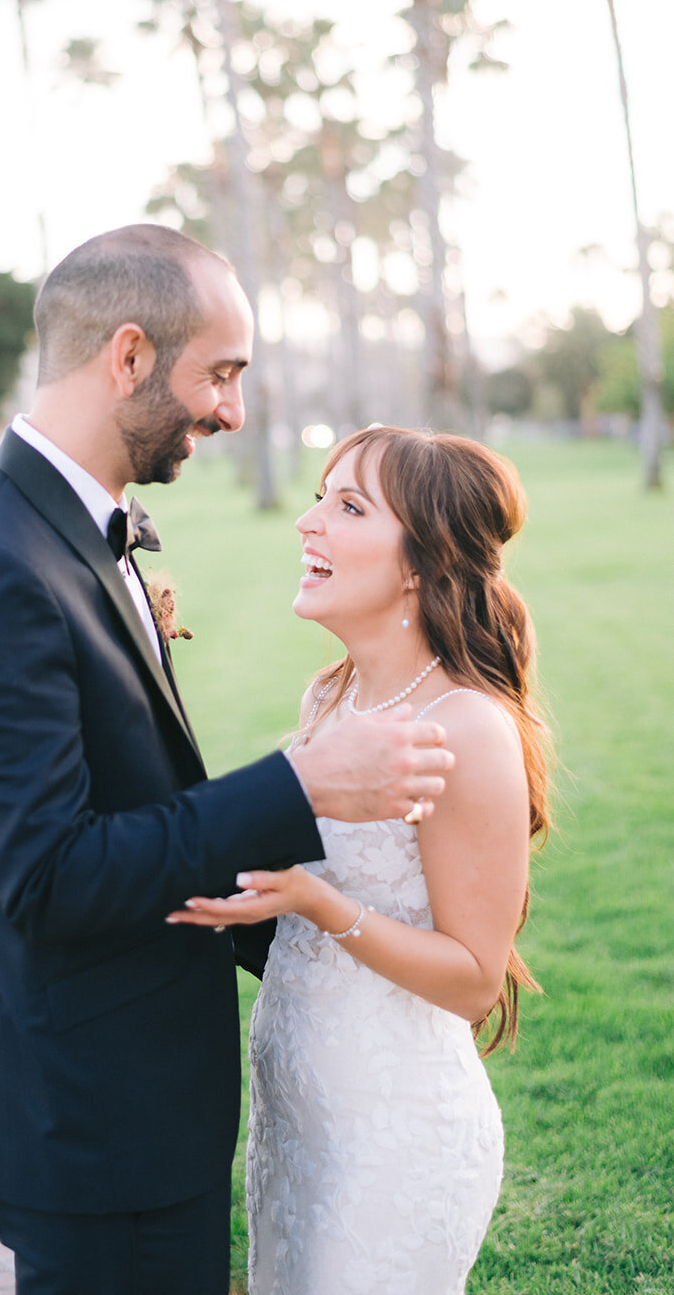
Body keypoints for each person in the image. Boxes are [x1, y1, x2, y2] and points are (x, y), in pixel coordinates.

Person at [0, 226, 454, 1295]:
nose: (233, 412)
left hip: (139, 1106)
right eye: (223, 374)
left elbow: (125, 800)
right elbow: (44, 878)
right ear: (132, 355)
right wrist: (301, 788)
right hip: (97, 1123)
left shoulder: (65, 532)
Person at [169, 425, 552, 1295]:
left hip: (392, 1139)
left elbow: (470, 980)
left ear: (419, 562)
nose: (308, 524)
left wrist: (313, 900)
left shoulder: (464, 728)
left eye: (346, 507)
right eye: (318, 497)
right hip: (299, 1116)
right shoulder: (331, 692)